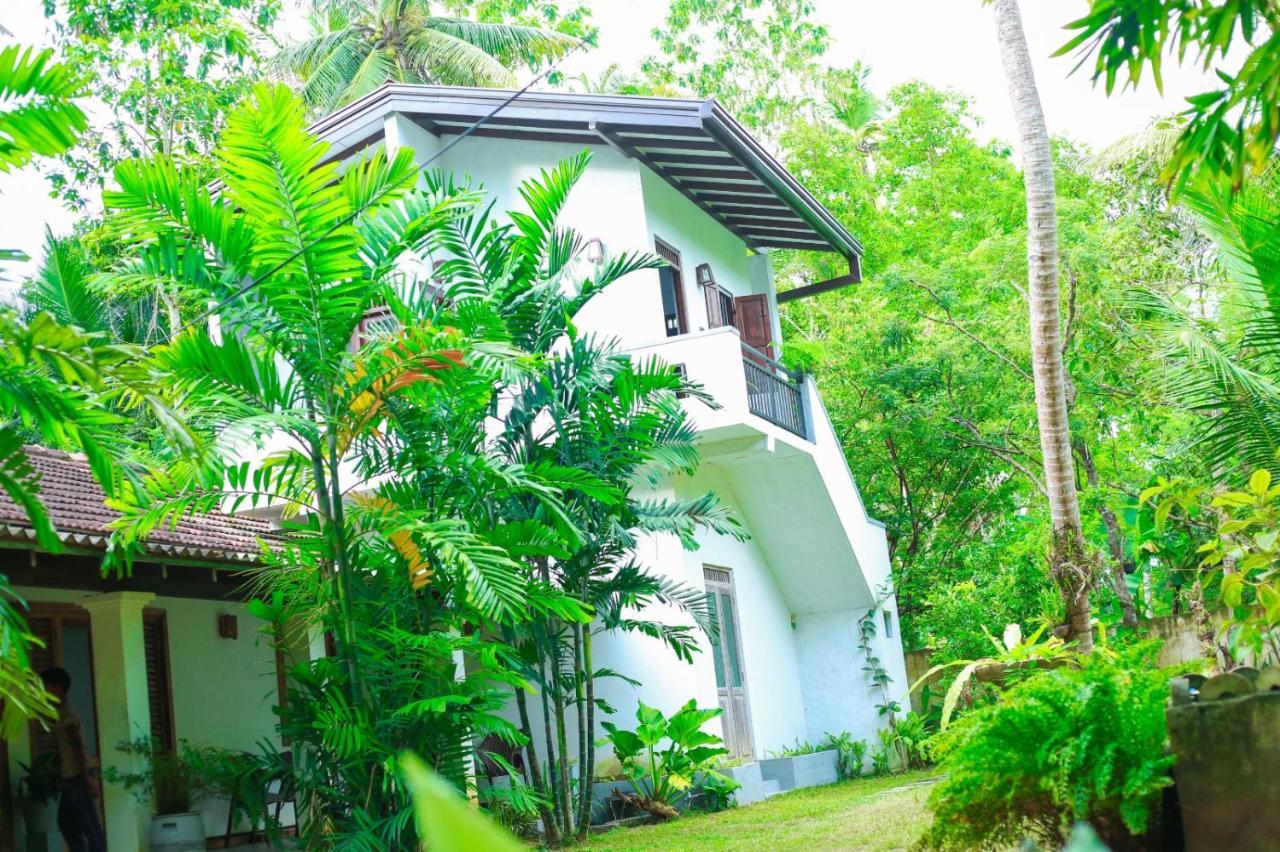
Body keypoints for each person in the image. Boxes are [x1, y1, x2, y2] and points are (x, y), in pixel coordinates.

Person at [39, 667, 106, 852]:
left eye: (46, 687)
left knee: (89, 824)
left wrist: (87, 779)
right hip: (70, 778)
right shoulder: (59, 713)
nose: (43, 692)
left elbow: (77, 747)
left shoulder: (68, 716)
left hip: (79, 776)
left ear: (57, 688)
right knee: (66, 822)